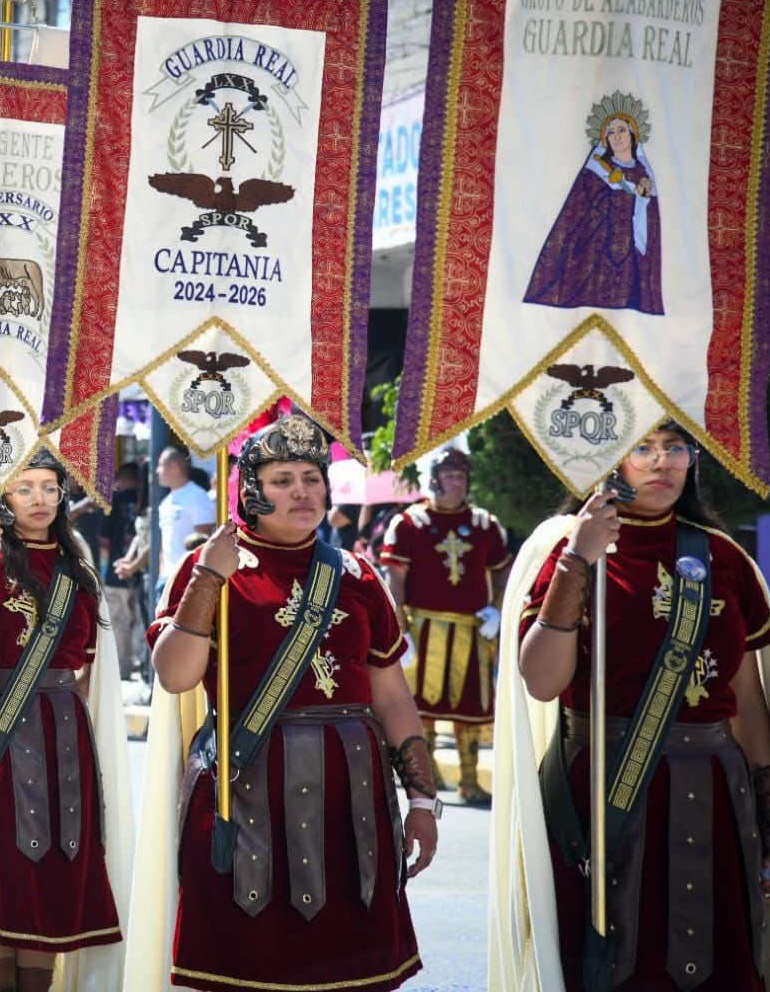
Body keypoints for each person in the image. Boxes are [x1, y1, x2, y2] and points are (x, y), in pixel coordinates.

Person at [493, 422, 770, 990]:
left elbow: (748, 705)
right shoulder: (565, 549)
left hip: (717, 796)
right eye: (642, 448)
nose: (663, 462)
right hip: (604, 794)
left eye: (675, 447)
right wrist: (579, 559)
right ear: (608, 461)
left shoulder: (725, 558)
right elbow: (541, 681)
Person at [128, 412, 436, 992]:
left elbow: (393, 698)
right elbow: (174, 675)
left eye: (311, 478)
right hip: (246, 788)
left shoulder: (358, 575)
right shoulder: (207, 566)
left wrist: (422, 799)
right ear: (250, 491)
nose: (301, 492)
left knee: (350, 971)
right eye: (282, 480)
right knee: (247, 969)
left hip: (353, 796)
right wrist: (208, 580)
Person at [0, 450, 133, 991]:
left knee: (47, 875)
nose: (40, 499)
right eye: (24, 488)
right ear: (2, 499)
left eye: (49, 487)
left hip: (60, 738)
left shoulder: (78, 570)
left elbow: (87, 671)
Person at [379, 447, 511, 803]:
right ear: (435, 480)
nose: (458, 483)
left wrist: (497, 610)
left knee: (470, 708)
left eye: (462, 477)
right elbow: (394, 578)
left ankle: (470, 781)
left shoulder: (485, 524)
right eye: (451, 476)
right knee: (420, 708)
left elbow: (503, 571)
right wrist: (400, 629)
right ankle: (426, 776)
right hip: (423, 629)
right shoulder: (409, 524)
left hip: (472, 629)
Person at [524, 94, 663, 315]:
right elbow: (578, 209)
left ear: (633, 134)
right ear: (605, 139)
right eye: (610, 132)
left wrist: (642, 198)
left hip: (631, 256)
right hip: (596, 251)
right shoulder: (597, 169)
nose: (616, 137)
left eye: (621, 130)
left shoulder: (644, 174)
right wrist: (614, 197)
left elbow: (650, 225)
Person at [104, 462, 147, 679]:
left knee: (119, 622)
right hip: (141, 571)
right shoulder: (145, 501)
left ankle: (123, 667)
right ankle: (142, 663)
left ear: (120, 478)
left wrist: (104, 569)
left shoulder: (114, 501)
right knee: (140, 620)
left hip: (116, 570)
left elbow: (104, 540)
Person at [156, 446, 214, 584]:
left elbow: (203, 540)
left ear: (175, 467)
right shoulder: (165, 502)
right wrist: (162, 574)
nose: (157, 470)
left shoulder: (197, 496)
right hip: (166, 579)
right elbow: (164, 546)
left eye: (161, 465)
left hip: (187, 578)